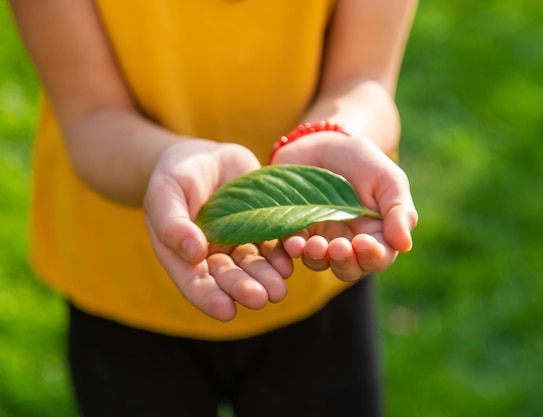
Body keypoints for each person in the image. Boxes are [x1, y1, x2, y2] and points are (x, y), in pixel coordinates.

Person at [9, 0, 419, 416]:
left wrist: (337, 136)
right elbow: (90, 115)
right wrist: (168, 163)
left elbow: (363, 79)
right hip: (121, 279)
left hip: (316, 274)